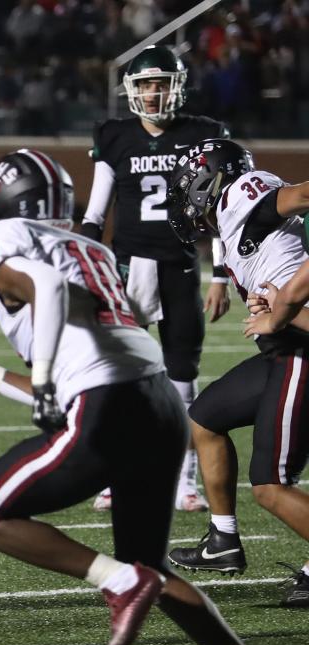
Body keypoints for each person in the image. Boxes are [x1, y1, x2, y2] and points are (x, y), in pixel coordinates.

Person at [0, 148, 273, 645]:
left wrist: (47, 375)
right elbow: (88, 366)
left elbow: (48, 295)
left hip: (108, 404)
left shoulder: (1, 239)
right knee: (151, 568)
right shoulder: (86, 248)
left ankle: (119, 582)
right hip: (159, 403)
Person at [81, 44, 232, 513]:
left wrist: (221, 276)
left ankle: (182, 480)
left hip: (180, 266)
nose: (153, 92)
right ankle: (114, 476)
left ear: (177, 86)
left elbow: (222, 212)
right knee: (121, 377)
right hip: (125, 269)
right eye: (145, 83)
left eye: (161, 82)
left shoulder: (202, 135)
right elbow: (94, 213)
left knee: (182, 377)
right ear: (132, 89)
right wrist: (85, 268)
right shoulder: (115, 136)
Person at [165, 138, 309, 607]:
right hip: (282, 350)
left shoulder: (244, 192)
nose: (186, 201)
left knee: (269, 486)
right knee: (204, 418)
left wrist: (278, 310)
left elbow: (296, 196)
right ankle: (222, 540)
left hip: (302, 352)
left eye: (188, 188)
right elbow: (234, 250)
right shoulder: (226, 225)